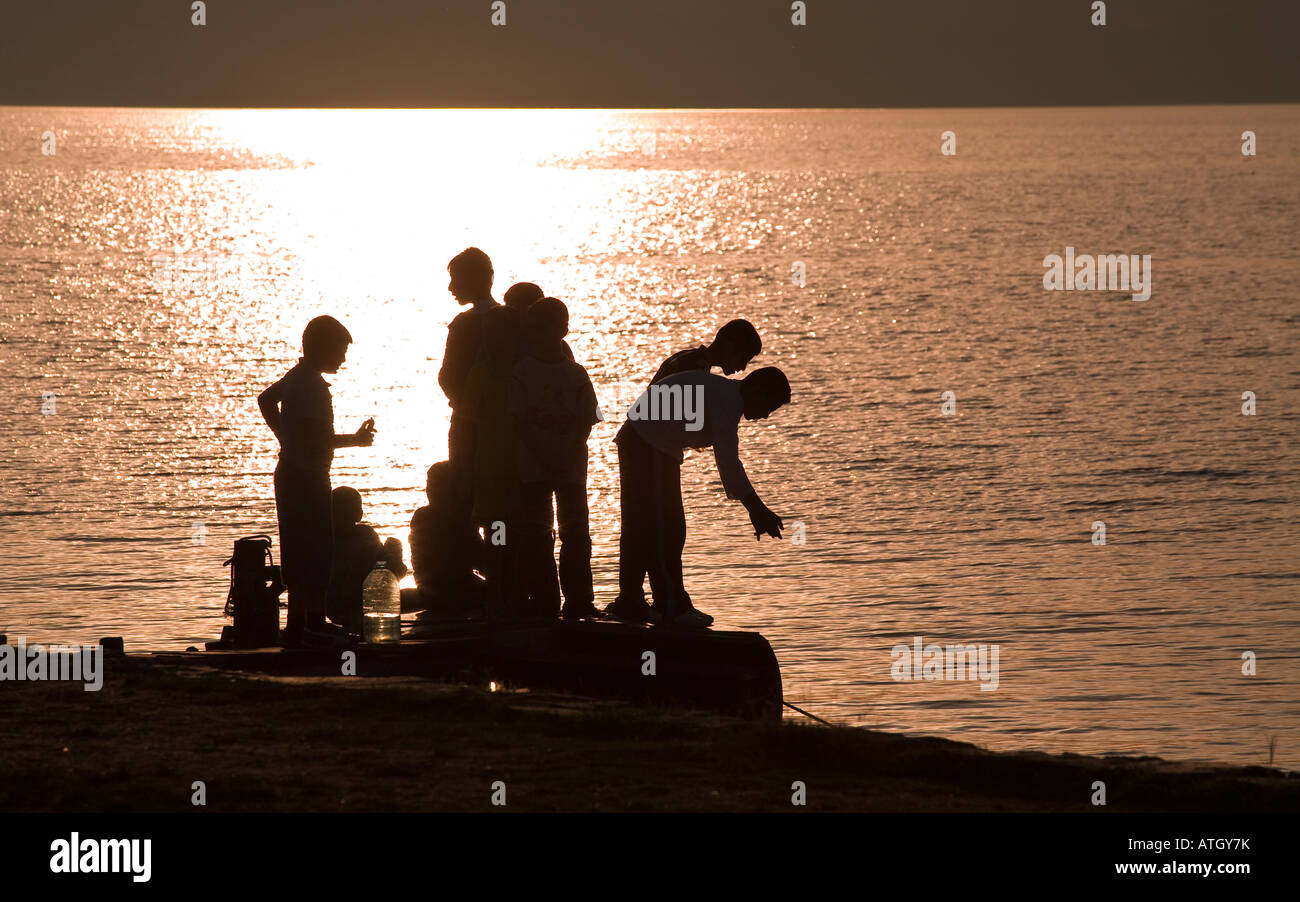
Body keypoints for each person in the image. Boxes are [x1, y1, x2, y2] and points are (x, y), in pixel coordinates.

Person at [604, 367, 790, 628]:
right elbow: (729, 464)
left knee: (644, 527)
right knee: (665, 529)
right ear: (756, 391)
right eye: (768, 406)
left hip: (644, 440)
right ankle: (670, 607)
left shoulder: (724, 394)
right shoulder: (729, 401)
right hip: (648, 444)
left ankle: (633, 602)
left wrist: (755, 509)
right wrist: (757, 509)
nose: (765, 415)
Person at [257, 315, 376, 647]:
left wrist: (284, 438)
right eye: (339, 351)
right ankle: (309, 622)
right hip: (306, 477)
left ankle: (304, 621)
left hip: (296, 472)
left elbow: (265, 400)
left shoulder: (298, 377)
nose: (343, 359)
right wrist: (355, 440)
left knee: (302, 547)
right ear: (322, 348)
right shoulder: (311, 387)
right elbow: (317, 440)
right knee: (314, 548)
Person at [509, 298, 602, 620]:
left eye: (551, 327)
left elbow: (588, 420)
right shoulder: (521, 371)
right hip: (537, 469)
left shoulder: (576, 373)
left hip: (568, 469)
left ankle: (578, 601)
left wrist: (563, 455)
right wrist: (553, 457)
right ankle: (546, 601)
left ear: (563, 330)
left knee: (575, 535)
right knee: (538, 535)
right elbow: (518, 422)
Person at [458, 305, 525, 618]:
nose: (491, 340)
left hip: (520, 471)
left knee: (520, 534)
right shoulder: (484, 371)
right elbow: (467, 418)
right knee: (497, 533)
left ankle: (513, 594)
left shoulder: (521, 369)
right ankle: (498, 595)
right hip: (491, 469)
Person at [438, 247, 499, 466]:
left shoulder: (464, 324)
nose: (451, 287)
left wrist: (463, 404)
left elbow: (448, 376)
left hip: (467, 422)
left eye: (456, 279)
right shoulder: (512, 319)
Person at [409, 461, 487, 616]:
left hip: (429, 591)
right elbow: (482, 559)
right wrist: (500, 527)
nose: (429, 491)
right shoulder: (460, 518)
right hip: (455, 591)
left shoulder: (421, 516)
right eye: (430, 485)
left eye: (434, 486)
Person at [326, 487, 409, 633]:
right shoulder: (364, 536)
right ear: (359, 514)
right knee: (392, 548)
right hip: (354, 603)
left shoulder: (324, 540)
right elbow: (394, 570)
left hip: (334, 607)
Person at [650, 319, 762, 384]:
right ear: (729, 348)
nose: (743, 367)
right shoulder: (697, 369)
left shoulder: (689, 357)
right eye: (743, 359)